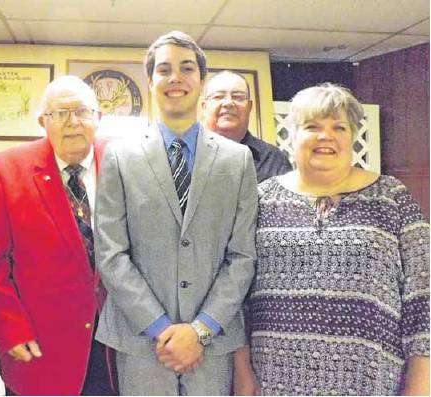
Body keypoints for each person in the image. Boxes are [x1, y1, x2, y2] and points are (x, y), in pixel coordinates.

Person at [94, 31, 258, 395]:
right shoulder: (120, 157)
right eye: (164, 69)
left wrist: (200, 330)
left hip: (212, 343)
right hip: (141, 341)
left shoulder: (237, 161)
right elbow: (111, 254)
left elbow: (243, 256)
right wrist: (161, 328)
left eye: (186, 69)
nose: (175, 78)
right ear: (150, 81)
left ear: (201, 80)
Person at [248, 83, 430, 395]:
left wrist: (420, 388)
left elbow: (423, 299)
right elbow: (238, 299)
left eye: (339, 127)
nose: (325, 136)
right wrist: (244, 380)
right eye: (312, 126)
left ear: (352, 136)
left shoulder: (391, 197)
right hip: (274, 384)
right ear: (291, 135)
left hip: (370, 384)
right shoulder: (261, 200)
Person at [0, 75, 116, 395]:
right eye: (59, 113)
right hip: (41, 348)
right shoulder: (6, 169)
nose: (72, 122)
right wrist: (10, 329)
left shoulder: (123, 160)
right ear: (43, 121)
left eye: (82, 111)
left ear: (98, 118)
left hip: (115, 348)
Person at [202, 70, 292, 182]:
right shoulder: (186, 156)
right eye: (218, 97)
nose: (228, 103)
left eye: (238, 97)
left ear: (249, 107)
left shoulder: (273, 159)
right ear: (204, 107)